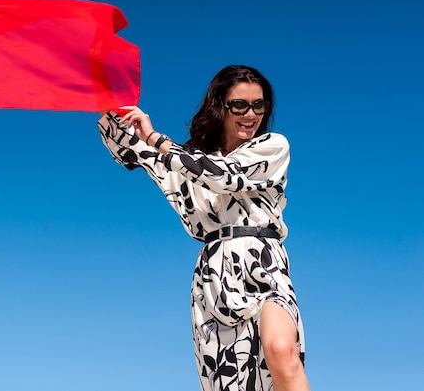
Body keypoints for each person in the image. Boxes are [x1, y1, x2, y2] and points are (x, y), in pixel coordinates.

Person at [97, 65, 311, 391]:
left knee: (282, 351)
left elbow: (224, 175)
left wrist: (159, 140)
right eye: (239, 105)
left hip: (263, 264)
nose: (250, 114)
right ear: (220, 106)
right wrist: (100, 92)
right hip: (213, 277)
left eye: (259, 105)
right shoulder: (188, 162)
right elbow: (136, 152)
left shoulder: (272, 147)